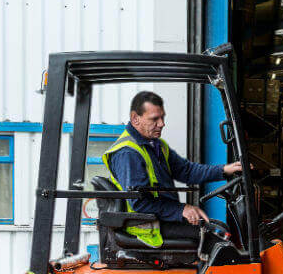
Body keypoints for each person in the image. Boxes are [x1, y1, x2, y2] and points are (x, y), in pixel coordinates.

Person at [102, 90, 242, 247]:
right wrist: (181, 209)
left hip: (159, 218)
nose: (162, 124)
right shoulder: (128, 153)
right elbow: (139, 203)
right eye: (155, 119)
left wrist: (224, 170)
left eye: (162, 117)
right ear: (135, 119)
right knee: (216, 238)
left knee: (220, 228)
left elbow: (187, 171)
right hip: (145, 226)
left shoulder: (155, 145)